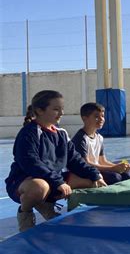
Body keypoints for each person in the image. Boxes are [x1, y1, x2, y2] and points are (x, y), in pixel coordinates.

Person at [4, 90, 107, 232]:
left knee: (90, 181)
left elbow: (75, 159)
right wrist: (58, 182)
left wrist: (95, 174)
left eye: (62, 109)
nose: (61, 113)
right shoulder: (29, 133)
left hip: (52, 179)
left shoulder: (61, 134)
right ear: (40, 110)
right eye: (56, 109)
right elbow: (30, 163)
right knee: (39, 187)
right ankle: (25, 213)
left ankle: (46, 204)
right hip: (25, 181)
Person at [72, 103, 130, 185]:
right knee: (115, 177)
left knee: (126, 174)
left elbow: (102, 161)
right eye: (96, 116)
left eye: (103, 116)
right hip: (86, 171)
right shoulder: (81, 138)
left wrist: (120, 167)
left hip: (97, 169)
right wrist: (113, 168)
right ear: (85, 118)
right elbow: (86, 163)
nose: (101, 119)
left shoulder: (99, 137)